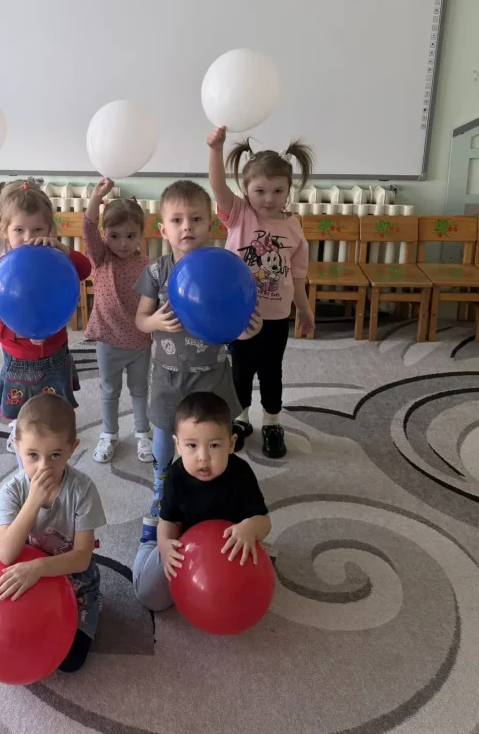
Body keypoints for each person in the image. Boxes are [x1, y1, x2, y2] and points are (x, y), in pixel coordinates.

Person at [134, 180, 261, 538]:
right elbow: (140, 319)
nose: (186, 226)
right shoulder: (156, 271)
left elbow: (240, 319)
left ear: (211, 225)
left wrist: (249, 329)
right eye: (176, 220)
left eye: (196, 219)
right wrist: (154, 322)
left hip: (212, 373)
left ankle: (222, 488)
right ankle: (161, 487)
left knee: (215, 434)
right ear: (163, 229)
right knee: (164, 430)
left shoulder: (225, 267)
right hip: (168, 374)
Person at [207, 126, 314, 459]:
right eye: (260, 191)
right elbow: (217, 186)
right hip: (240, 316)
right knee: (239, 373)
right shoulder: (239, 214)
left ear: (289, 190)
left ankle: (271, 423)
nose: (269, 198)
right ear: (246, 190)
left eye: (278, 190)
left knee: (271, 372)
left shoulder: (293, 226)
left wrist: (304, 309)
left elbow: (297, 276)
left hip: (277, 317)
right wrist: (216, 149)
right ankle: (240, 420)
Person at [0, 394, 106, 673]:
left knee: (69, 661)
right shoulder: (12, 491)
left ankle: (95, 606)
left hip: (76, 582)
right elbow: (5, 553)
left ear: (72, 449)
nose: (43, 467)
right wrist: (33, 501)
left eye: (55, 455)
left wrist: (38, 568)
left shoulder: (82, 490)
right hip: (30, 579)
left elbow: (82, 558)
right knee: (13, 642)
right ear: (17, 446)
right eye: (32, 455)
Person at [133, 391, 270, 612]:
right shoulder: (176, 477)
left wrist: (250, 528)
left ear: (231, 443)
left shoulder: (241, 474)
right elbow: (169, 521)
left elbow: (264, 521)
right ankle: (148, 541)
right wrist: (165, 544)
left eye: (214, 445)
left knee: (244, 599)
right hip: (185, 543)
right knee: (149, 596)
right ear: (177, 445)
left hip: (226, 547)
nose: (203, 457)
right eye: (192, 446)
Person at [0, 184, 91, 453]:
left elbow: (85, 269)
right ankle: (20, 436)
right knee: (22, 409)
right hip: (18, 359)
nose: (28, 237)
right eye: (19, 230)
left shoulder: (58, 261)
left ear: (50, 230)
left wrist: (61, 248)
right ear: (5, 231)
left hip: (55, 354)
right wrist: (19, 334)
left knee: (55, 408)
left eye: (37, 229)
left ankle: (59, 438)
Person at [82, 178, 152, 464]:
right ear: (104, 235)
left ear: (141, 235)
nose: (123, 243)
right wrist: (96, 196)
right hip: (109, 341)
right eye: (114, 236)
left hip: (139, 342)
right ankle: (109, 434)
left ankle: (142, 433)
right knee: (109, 390)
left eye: (131, 236)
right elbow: (87, 226)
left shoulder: (148, 265)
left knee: (140, 391)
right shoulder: (101, 259)